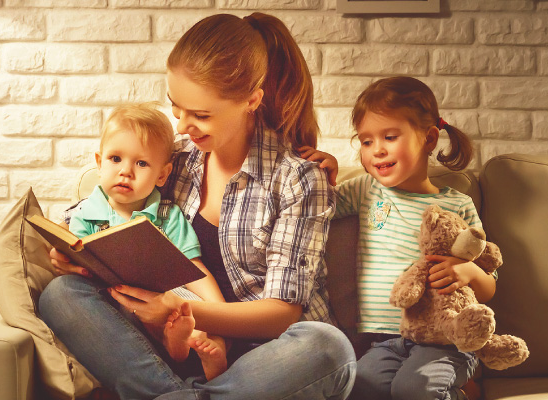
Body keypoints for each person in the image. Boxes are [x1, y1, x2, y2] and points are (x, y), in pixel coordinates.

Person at [37, 12, 355, 400]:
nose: (183, 126)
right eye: (177, 108)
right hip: (179, 345)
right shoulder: (175, 162)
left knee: (328, 347)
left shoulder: (299, 179)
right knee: (62, 294)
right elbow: (110, 204)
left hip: (267, 356)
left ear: (252, 100)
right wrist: (77, 253)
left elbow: (282, 315)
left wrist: (176, 308)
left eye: (201, 115)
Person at [301, 76, 494, 400]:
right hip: (383, 341)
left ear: (429, 139)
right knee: (360, 386)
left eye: (389, 137)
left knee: (413, 389)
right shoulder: (365, 190)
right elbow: (323, 205)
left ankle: (462, 392)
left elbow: (489, 283)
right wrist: (327, 172)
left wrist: (469, 272)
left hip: (445, 339)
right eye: (365, 141)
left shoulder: (457, 204)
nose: (377, 150)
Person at [67, 102, 230, 379]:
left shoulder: (168, 216)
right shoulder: (84, 215)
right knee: (70, 292)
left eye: (141, 163)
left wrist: (221, 316)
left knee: (184, 302)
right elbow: (76, 261)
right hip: (116, 311)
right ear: (99, 162)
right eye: (115, 159)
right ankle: (174, 344)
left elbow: (194, 269)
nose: (125, 171)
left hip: (165, 303)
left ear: (162, 175)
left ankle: (188, 344)